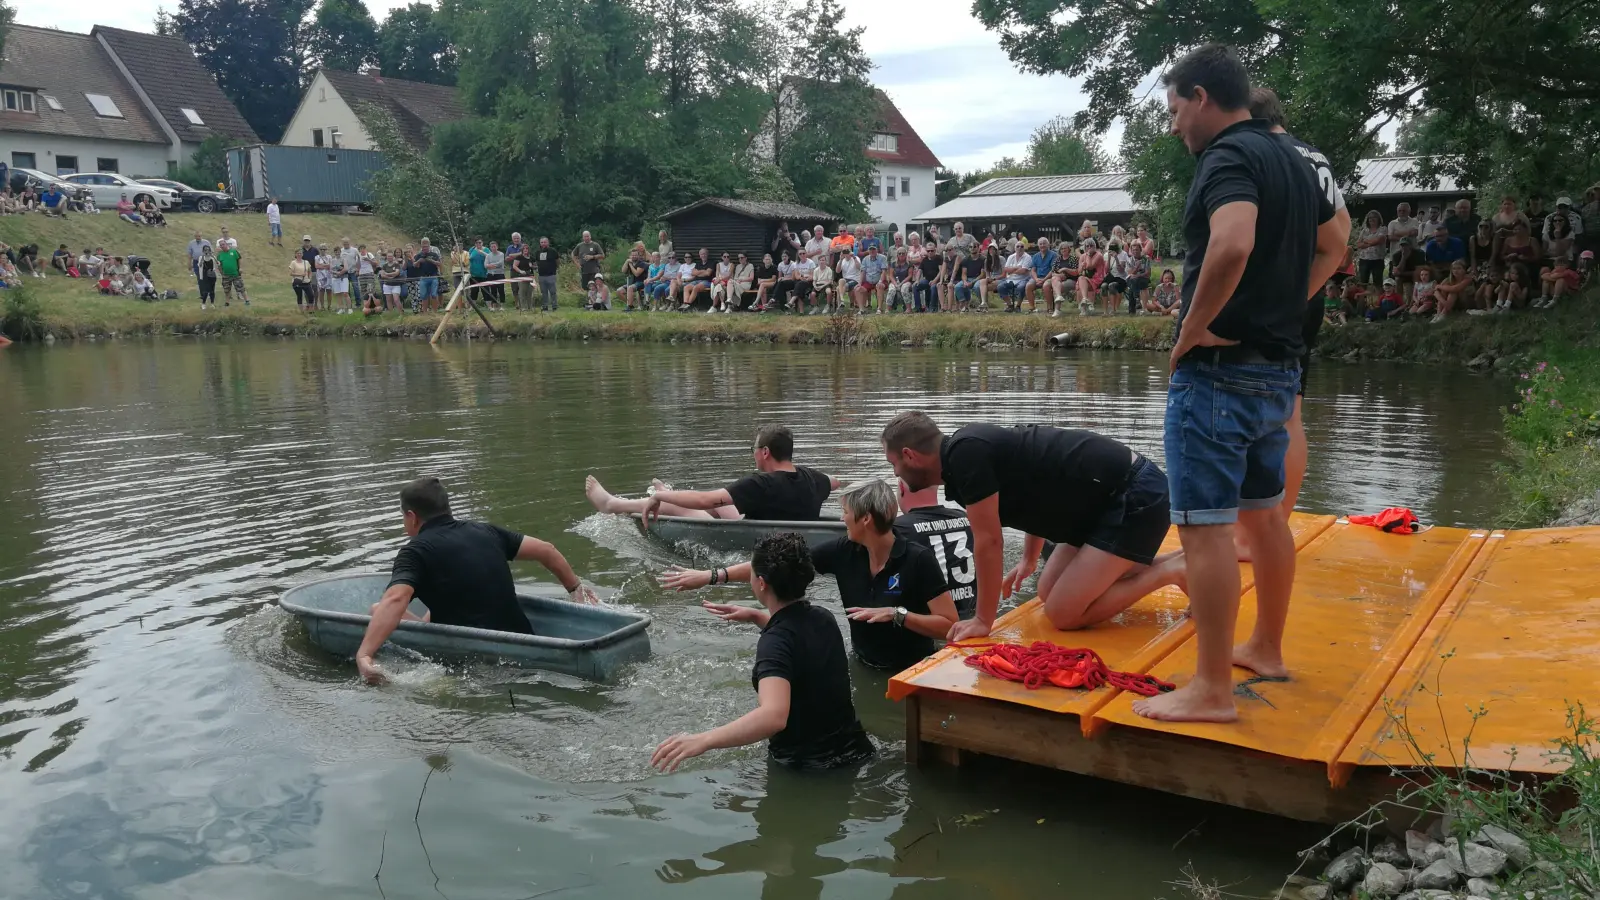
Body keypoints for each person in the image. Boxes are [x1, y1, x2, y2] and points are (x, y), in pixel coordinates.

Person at [1141, 45, 1344, 723]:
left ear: (1200, 97)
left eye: (1174, 111)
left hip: (1221, 374)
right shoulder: (1291, 157)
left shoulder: (1226, 157)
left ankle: (1211, 690)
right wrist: (1288, 307)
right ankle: (1265, 648)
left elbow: (1230, 243)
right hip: (1278, 370)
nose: (1174, 127)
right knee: (1265, 518)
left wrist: (1191, 330)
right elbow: (1332, 242)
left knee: (1204, 529)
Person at [882, 413, 1182, 639]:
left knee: (1063, 613)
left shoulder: (965, 455)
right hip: (1103, 505)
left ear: (910, 456)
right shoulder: (963, 458)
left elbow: (988, 542)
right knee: (1048, 590)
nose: (896, 473)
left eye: (894, 463)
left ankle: (1171, 571)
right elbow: (1035, 493)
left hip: (1135, 495)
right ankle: (1168, 562)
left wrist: (982, 620)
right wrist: (1028, 558)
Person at [663, 481, 958, 673]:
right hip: (862, 666)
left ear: (865, 518)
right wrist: (712, 576)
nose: (841, 519)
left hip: (915, 670)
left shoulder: (917, 559)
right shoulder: (845, 551)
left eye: (844, 512)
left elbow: (950, 626)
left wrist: (897, 614)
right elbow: (780, 562)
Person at [650, 532, 876, 772]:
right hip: (857, 752)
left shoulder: (774, 642)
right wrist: (758, 616)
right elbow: (798, 643)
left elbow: (774, 716)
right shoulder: (824, 618)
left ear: (761, 583)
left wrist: (703, 740)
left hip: (809, 772)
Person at [355, 478, 597, 685]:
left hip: (476, 664)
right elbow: (546, 550)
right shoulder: (486, 532)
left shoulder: (415, 551)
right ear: (446, 508)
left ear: (411, 516)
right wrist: (575, 588)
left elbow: (396, 599)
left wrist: (365, 655)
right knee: (397, 608)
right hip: (524, 641)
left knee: (378, 610)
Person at [586, 424, 839, 522]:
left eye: (753, 448)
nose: (752, 453)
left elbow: (704, 500)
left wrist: (662, 498)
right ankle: (670, 493)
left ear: (764, 452)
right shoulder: (814, 478)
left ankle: (612, 504)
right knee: (722, 502)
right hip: (777, 531)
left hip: (756, 538)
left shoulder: (761, 484)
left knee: (687, 508)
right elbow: (836, 482)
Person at [894, 478, 977, 619]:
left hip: (929, 625)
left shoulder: (898, 529)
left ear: (901, 487)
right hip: (972, 617)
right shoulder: (968, 518)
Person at [1025, 237, 1057, 314]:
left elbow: (1053, 270)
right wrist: (1036, 279)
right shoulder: (1035, 256)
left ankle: (1050, 308)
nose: (1042, 245)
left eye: (1044, 243)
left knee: (1046, 286)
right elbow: (1033, 270)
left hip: (1049, 277)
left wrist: (1044, 279)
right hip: (1037, 278)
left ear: (1048, 244)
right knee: (1028, 286)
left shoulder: (1054, 255)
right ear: (1038, 245)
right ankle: (1032, 307)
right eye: (1040, 244)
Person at [573, 231, 606, 305]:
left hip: (594, 270)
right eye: (585, 236)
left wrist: (592, 257)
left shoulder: (595, 245)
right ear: (583, 237)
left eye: (588, 236)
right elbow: (573, 254)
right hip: (584, 270)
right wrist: (577, 264)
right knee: (585, 287)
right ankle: (588, 302)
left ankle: (598, 302)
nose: (586, 238)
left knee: (595, 286)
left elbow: (602, 255)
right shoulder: (580, 246)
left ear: (590, 236)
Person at [1075, 239, 1107, 314]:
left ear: (1095, 246)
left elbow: (1090, 266)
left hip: (1097, 278)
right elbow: (1079, 271)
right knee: (1080, 279)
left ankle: (1084, 307)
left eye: (1091, 245)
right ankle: (1085, 302)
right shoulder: (1082, 256)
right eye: (1087, 246)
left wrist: (1088, 255)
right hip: (1086, 279)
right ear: (1084, 247)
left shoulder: (1098, 255)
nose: (1089, 247)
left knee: (1081, 282)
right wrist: (1082, 267)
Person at [997, 243, 1031, 311]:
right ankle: (1010, 305)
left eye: (1022, 246)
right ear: (1015, 248)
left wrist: (1011, 270)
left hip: (1023, 279)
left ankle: (1018, 306)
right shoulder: (1011, 257)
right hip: (1010, 279)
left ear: (1024, 248)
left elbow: (1023, 271)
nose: (1019, 248)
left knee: (1021, 287)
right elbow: (1006, 269)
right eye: (1017, 246)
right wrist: (1017, 267)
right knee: (1000, 287)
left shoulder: (1028, 257)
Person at [217, 239, 248, 307]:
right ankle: (227, 303)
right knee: (227, 289)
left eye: (223, 244)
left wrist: (240, 268)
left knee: (241, 288)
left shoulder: (233, 251)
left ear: (226, 244)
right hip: (226, 275)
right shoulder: (220, 255)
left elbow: (239, 259)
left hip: (235, 274)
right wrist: (222, 273)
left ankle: (247, 301)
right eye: (221, 245)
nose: (222, 246)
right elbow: (219, 264)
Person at [534, 237, 560, 311]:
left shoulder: (553, 251)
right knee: (544, 292)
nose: (543, 244)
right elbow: (536, 262)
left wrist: (556, 269)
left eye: (545, 242)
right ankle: (545, 306)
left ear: (548, 243)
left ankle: (554, 306)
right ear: (540, 243)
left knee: (553, 291)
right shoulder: (538, 252)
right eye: (542, 242)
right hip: (541, 275)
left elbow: (557, 261)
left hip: (551, 274)